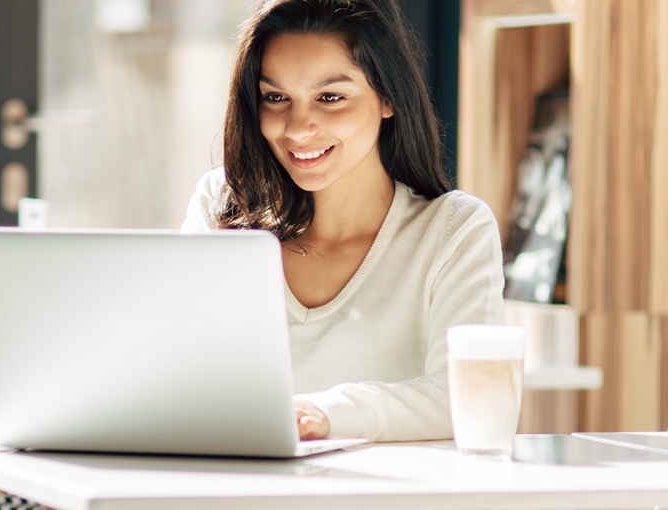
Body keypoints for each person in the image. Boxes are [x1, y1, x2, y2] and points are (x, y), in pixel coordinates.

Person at [181, 0, 505, 443]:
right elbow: (178, 371)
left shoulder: (452, 229)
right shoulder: (220, 206)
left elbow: (466, 394)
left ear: (388, 97)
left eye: (330, 98)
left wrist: (323, 414)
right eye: (276, 98)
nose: (297, 128)